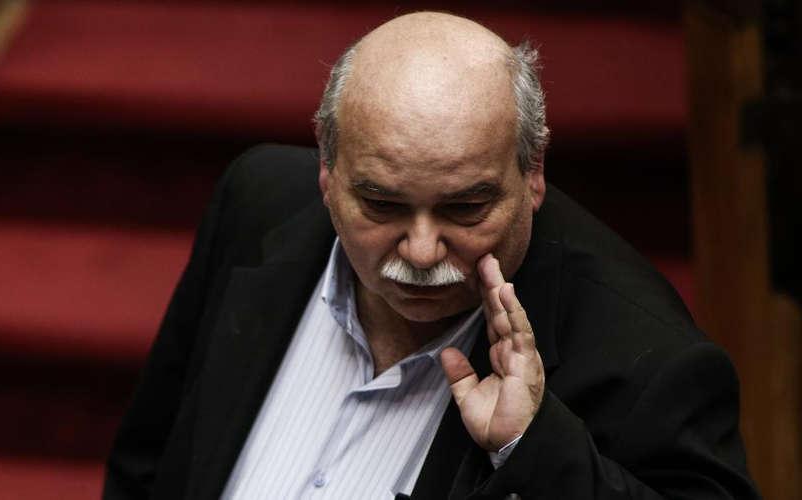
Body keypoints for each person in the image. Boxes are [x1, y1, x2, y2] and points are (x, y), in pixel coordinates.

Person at [103, 12, 759, 499]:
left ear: (533, 172)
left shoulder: (648, 361)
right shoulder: (257, 203)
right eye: (381, 205)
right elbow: (149, 462)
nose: (421, 252)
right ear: (327, 170)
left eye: (465, 208)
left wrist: (532, 449)